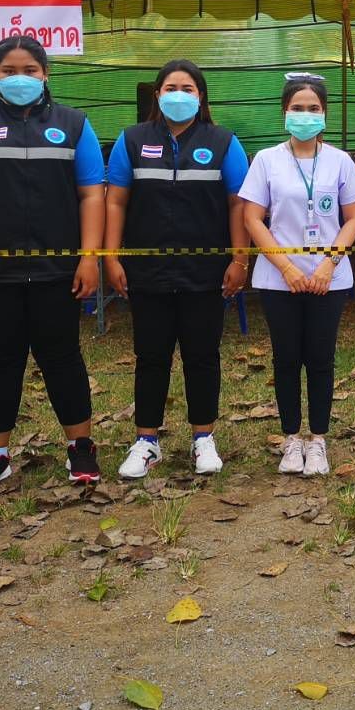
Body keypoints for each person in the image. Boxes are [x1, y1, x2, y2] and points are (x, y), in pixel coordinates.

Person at [0, 36, 106, 494]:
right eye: (9, 70)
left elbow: (93, 195)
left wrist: (89, 259)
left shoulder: (74, 125)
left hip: (59, 272)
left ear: (46, 74)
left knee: (64, 359)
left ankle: (81, 448)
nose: (20, 79)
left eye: (30, 70)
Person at [105, 60, 250, 480]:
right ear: (157, 94)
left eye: (188, 88)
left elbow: (239, 203)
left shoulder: (224, 142)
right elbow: (115, 201)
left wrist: (239, 259)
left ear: (201, 96)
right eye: (171, 86)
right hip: (147, 270)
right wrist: (111, 257)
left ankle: (203, 437)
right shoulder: (131, 140)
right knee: (151, 356)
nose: (179, 94)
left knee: (202, 356)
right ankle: (146, 442)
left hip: (205, 270)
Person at [240, 74, 355, 476]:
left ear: (324, 114)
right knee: (286, 359)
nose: (305, 115)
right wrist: (288, 268)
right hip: (280, 280)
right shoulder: (267, 160)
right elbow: (253, 218)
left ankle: (319, 441)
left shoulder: (340, 161)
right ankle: (291, 439)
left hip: (329, 279)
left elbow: (354, 217)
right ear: (284, 112)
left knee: (321, 359)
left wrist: (329, 263)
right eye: (298, 108)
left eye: (313, 109)